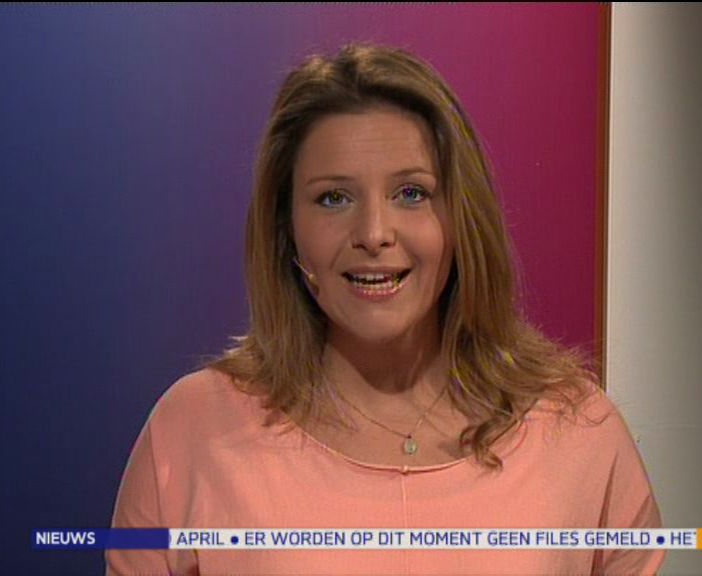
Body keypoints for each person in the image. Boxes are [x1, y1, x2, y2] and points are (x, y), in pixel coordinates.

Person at [107, 42, 664, 575]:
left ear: (462, 218)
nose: (374, 233)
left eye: (411, 193)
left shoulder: (577, 433)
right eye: (334, 198)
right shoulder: (194, 430)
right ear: (287, 229)